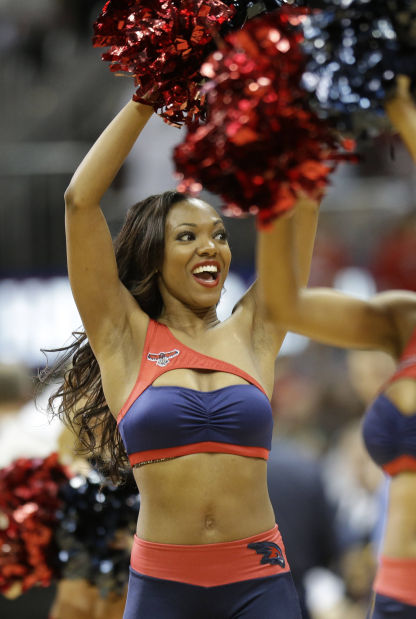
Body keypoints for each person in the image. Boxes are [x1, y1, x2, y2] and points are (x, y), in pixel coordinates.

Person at [42, 91, 324, 619]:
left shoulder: (256, 329)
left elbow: (303, 201)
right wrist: (147, 98)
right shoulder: (123, 337)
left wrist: (276, 108)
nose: (210, 247)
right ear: (154, 252)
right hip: (163, 588)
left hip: (260, 580)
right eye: (188, 236)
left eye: (219, 235)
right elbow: (80, 200)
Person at [256, 76, 416, 618]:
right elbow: (284, 302)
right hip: (391, 595)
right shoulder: (402, 320)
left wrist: (401, 107)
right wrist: (291, 178)